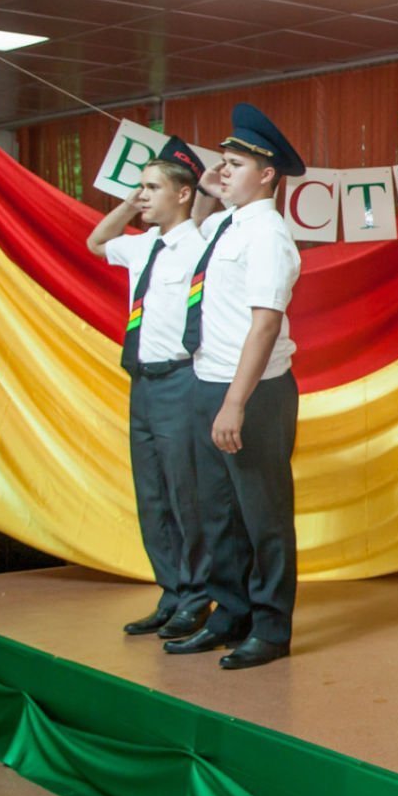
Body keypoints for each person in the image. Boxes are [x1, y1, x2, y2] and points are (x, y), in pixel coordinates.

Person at [163, 104, 303, 671]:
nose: (223, 171)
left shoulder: (268, 234)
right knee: (218, 514)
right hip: (209, 380)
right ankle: (230, 615)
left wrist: (235, 403)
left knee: (263, 515)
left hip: (253, 393)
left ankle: (270, 627)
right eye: (222, 162)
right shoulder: (226, 224)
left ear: (267, 175)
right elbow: (195, 229)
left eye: (235, 164)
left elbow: (265, 324)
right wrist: (209, 185)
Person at [86, 137, 214, 641]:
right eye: (140, 187)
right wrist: (128, 204)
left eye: (152, 188)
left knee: (186, 495)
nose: (143, 195)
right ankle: (171, 591)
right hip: (141, 380)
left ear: (182, 194)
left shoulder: (200, 247)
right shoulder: (142, 245)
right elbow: (97, 243)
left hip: (181, 380)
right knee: (153, 496)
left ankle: (198, 596)